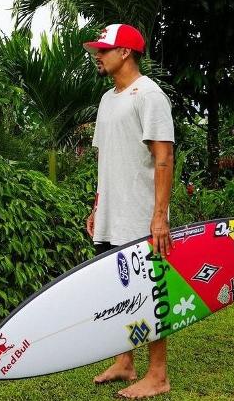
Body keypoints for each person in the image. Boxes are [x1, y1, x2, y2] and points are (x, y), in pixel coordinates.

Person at [83, 24, 175, 399]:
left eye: (104, 50)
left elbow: (164, 157)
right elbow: (107, 156)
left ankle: (158, 375)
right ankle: (125, 362)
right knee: (117, 292)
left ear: (125, 53)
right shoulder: (108, 99)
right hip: (111, 215)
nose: (97, 56)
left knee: (149, 293)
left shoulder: (149, 96)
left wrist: (159, 216)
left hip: (140, 217)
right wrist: (97, 205)